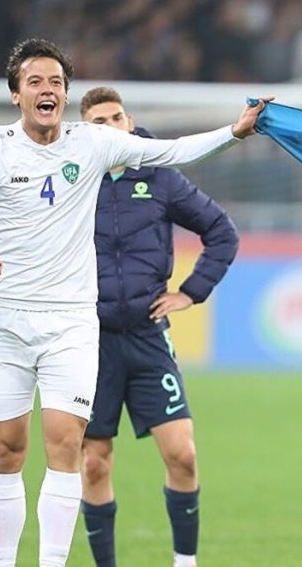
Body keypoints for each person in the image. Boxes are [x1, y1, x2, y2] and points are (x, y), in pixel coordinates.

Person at [0, 38, 268, 566]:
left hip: (72, 325)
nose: (47, 89)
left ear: (65, 93)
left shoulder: (93, 144)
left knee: (65, 448)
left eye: (56, 82)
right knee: (5, 449)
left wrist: (233, 133)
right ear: (15, 95)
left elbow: (172, 151)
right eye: (35, 81)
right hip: (6, 320)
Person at [76, 86, 240, 567]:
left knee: (182, 455)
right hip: (89, 342)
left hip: (148, 338)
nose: (112, 126)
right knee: (94, 462)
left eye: (117, 117)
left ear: (129, 123)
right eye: (99, 122)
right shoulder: (70, 180)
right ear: (84, 133)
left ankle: (185, 563)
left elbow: (222, 232)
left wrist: (191, 292)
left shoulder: (161, 177)